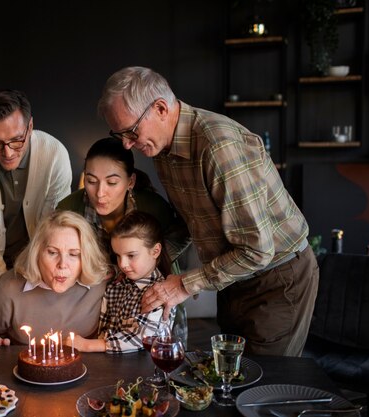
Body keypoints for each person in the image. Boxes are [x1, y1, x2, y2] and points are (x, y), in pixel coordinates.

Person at [98, 66, 319, 357]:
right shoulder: (162, 148)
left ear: (161, 108)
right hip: (232, 277)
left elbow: (258, 250)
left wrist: (183, 284)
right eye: (120, 135)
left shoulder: (218, 145)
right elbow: (189, 223)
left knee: (262, 389)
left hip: (277, 278)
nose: (127, 144)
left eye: (131, 132)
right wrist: (138, 261)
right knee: (229, 380)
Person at [0, 89, 73, 343]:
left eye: (16, 140)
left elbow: (52, 228)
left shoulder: (55, 155)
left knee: (34, 340)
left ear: (30, 126)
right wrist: (8, 292)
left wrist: (35, 283)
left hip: (36, 261)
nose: (8, 152)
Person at [0, 210, 110, 354]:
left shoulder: (102, 283)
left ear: (86, 256)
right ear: (37, 252)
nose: (63, 264)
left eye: (74, 254)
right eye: (52, 252)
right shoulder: (9, 288)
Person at [57, 137, 190, 275]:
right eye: (91, 181)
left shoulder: (154, 208)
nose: (100, 193)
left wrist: (147, 260)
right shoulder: (67, 209)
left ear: (130, 182)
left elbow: (183, 234)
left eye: (112, 182)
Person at [74, 211, 175, 353]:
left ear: (155, 251)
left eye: (131, 255)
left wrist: (89, 345)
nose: (123, 264)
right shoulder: (118, 283)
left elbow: (144, 336)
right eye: (118, 256)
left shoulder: (160, 293)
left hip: (142, 369)